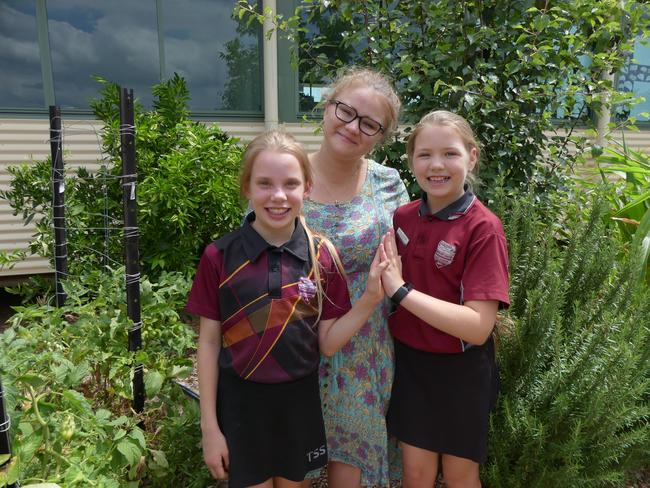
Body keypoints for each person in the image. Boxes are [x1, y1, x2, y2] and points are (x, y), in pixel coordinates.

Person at [186, 130, 389, 488]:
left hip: (298, 404)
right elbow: (208, 344)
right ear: (246, 187)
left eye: (290, 184)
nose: (278, 196)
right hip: (241, 407)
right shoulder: (219, 257)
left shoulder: (321, 256)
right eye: (264, 183)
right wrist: (210, 428)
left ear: (307, 189)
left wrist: (371, 298)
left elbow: (327, 343)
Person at [379, 110, 510, 488]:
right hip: (411, 364)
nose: (437, 165)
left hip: (461, 370)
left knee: (459, 475)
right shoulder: (402, 218)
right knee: (416, 473)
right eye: (424, 155)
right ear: (411, 160)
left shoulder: (483, 227)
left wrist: (402, 292)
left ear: (472, 157)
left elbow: (479, 326)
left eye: (450, 154)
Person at [303, 67, 409, 488]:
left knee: (353, 470)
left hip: (364, 354)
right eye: (345, 111)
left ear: (380, 136)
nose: (352, 127)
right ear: (327, 106)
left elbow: (404, 263)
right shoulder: (286, 175)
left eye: (369, 124)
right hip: (296, 348)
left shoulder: (388, 184)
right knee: (293, 470)